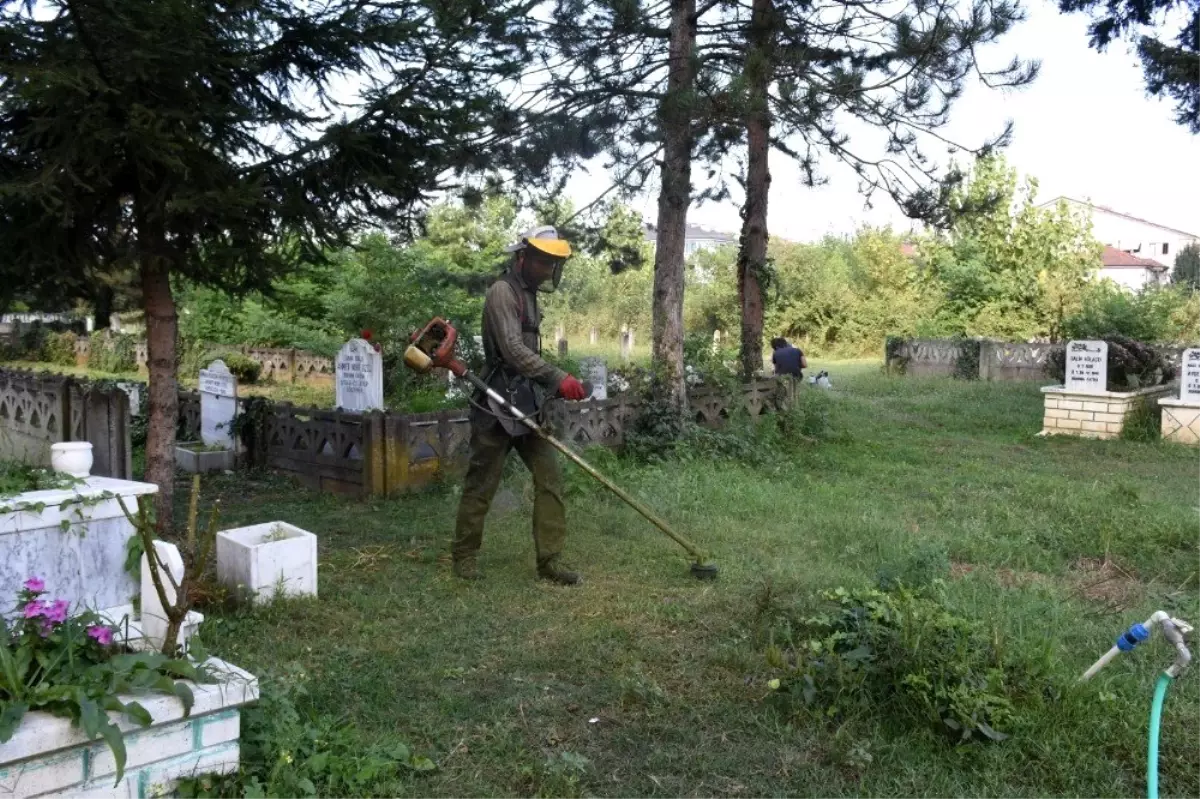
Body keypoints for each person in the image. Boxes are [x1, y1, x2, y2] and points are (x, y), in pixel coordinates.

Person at [451, 225, 589, 585]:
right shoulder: (502, 292)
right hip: (496, 400)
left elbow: (527, 355)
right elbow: (512, 350)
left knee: (550, 480)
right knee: (482, 482)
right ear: (523, 257)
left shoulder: (529, 295)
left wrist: (548, 384)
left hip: (528, 400)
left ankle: (550, 561)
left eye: (552, 264)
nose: (547, 270)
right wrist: (557, 377)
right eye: (543, 262)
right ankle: (464, 556)